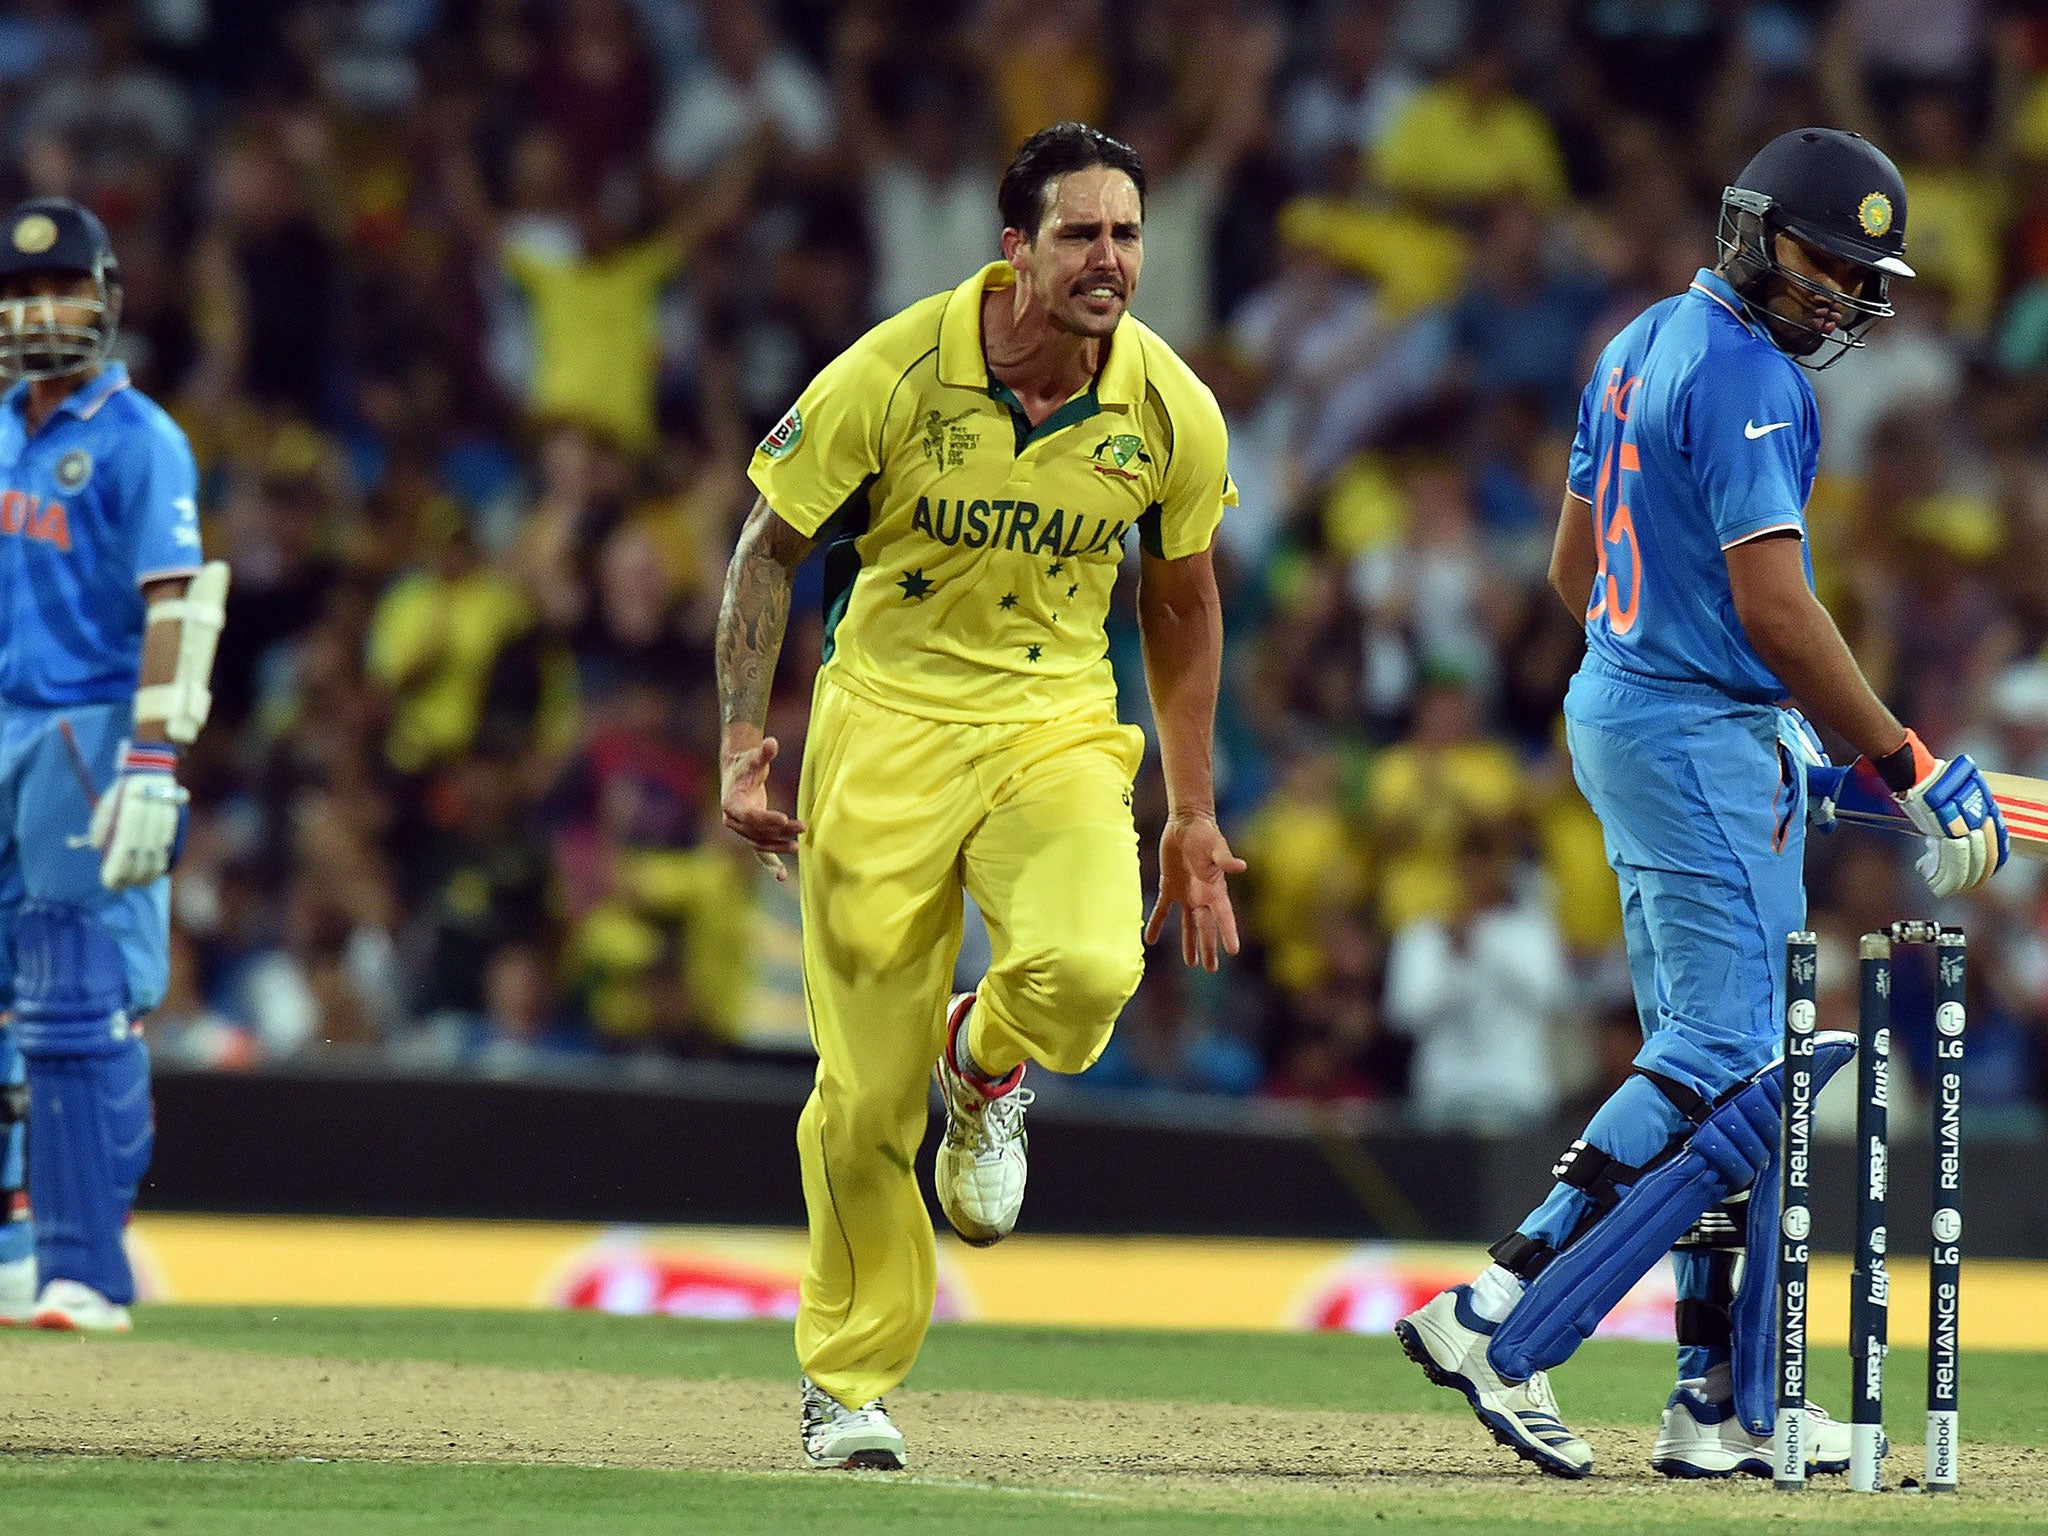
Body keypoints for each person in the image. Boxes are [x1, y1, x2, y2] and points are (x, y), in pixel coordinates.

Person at [1396, 128, 2008, 1479]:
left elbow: (1576, 568)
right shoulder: (1750, 377)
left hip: (1630, 711)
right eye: (1821, 263)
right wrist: (1896, 762)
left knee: (1721, 1076)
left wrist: (1713, 690)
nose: (1838, 297)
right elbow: (1777, 607)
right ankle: (1495, 1307)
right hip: (1693, 737)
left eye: (1860, 277)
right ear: (1750, 231)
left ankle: (1709, 1404)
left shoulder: (1635, 343)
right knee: (1723, 1061)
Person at [715, 123, 1245, 1470]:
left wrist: (1190, 810)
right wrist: (740, 742)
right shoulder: (892, 371)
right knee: (863, 1098)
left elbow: (1180, 602)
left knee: (1084, 969)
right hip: (882, 728)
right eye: (1080, 234)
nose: (1110, 260)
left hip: (1055, 722)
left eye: (1126, 234)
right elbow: (767, 551)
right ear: (1013, 250)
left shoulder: (1168, 406)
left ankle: (988, 1056)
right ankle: (849, 1388)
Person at [0, 198, 227, 1330]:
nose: (43, 313)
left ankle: (83, 1268)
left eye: (63, 290)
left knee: (79, 998)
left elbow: (176, 605)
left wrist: (153, 756)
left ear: (107, 297)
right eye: (23, 293)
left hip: (86, 737)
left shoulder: (143, 440)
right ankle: (8, 1246)